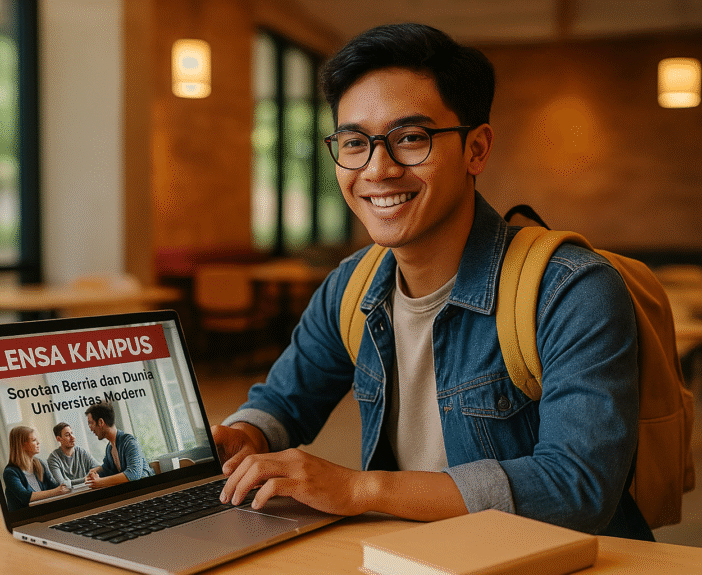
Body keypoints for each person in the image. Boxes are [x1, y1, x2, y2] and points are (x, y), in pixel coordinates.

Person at [212, 23, 652, 540]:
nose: (378, 169)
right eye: (354, 143)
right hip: (416, 557)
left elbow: (576, 487)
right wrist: (245, 436)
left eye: (410, 139)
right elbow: (284, 402)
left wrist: (362, 489)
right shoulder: (352, 286)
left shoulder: (570, 291)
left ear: (476, 149)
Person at [84, 402, 153, 488]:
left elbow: (134, 474)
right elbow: (106, 468)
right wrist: (94, 472)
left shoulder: (129, 442)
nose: (90, 428)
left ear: (101, 422)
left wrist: (100, 482)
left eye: (91, 423)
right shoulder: (109, 448)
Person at [3, 426, 70, 511]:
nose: (38, 443)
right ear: (22, 445)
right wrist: (56, 491)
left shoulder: (40, 464)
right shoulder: (10, 472)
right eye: (34, 440)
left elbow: (54, 486)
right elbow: (25, 497)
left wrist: (67, 484)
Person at [46, 421, 99, 486]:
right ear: (59, 439)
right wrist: (84, 479)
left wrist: (93, 473)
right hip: (69, 492)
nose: (72, 437)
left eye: (72, 433)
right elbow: (61, 483)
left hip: (87, 488)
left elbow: (98, 467)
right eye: (67, 435)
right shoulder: (53, 458)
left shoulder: (82, 452)